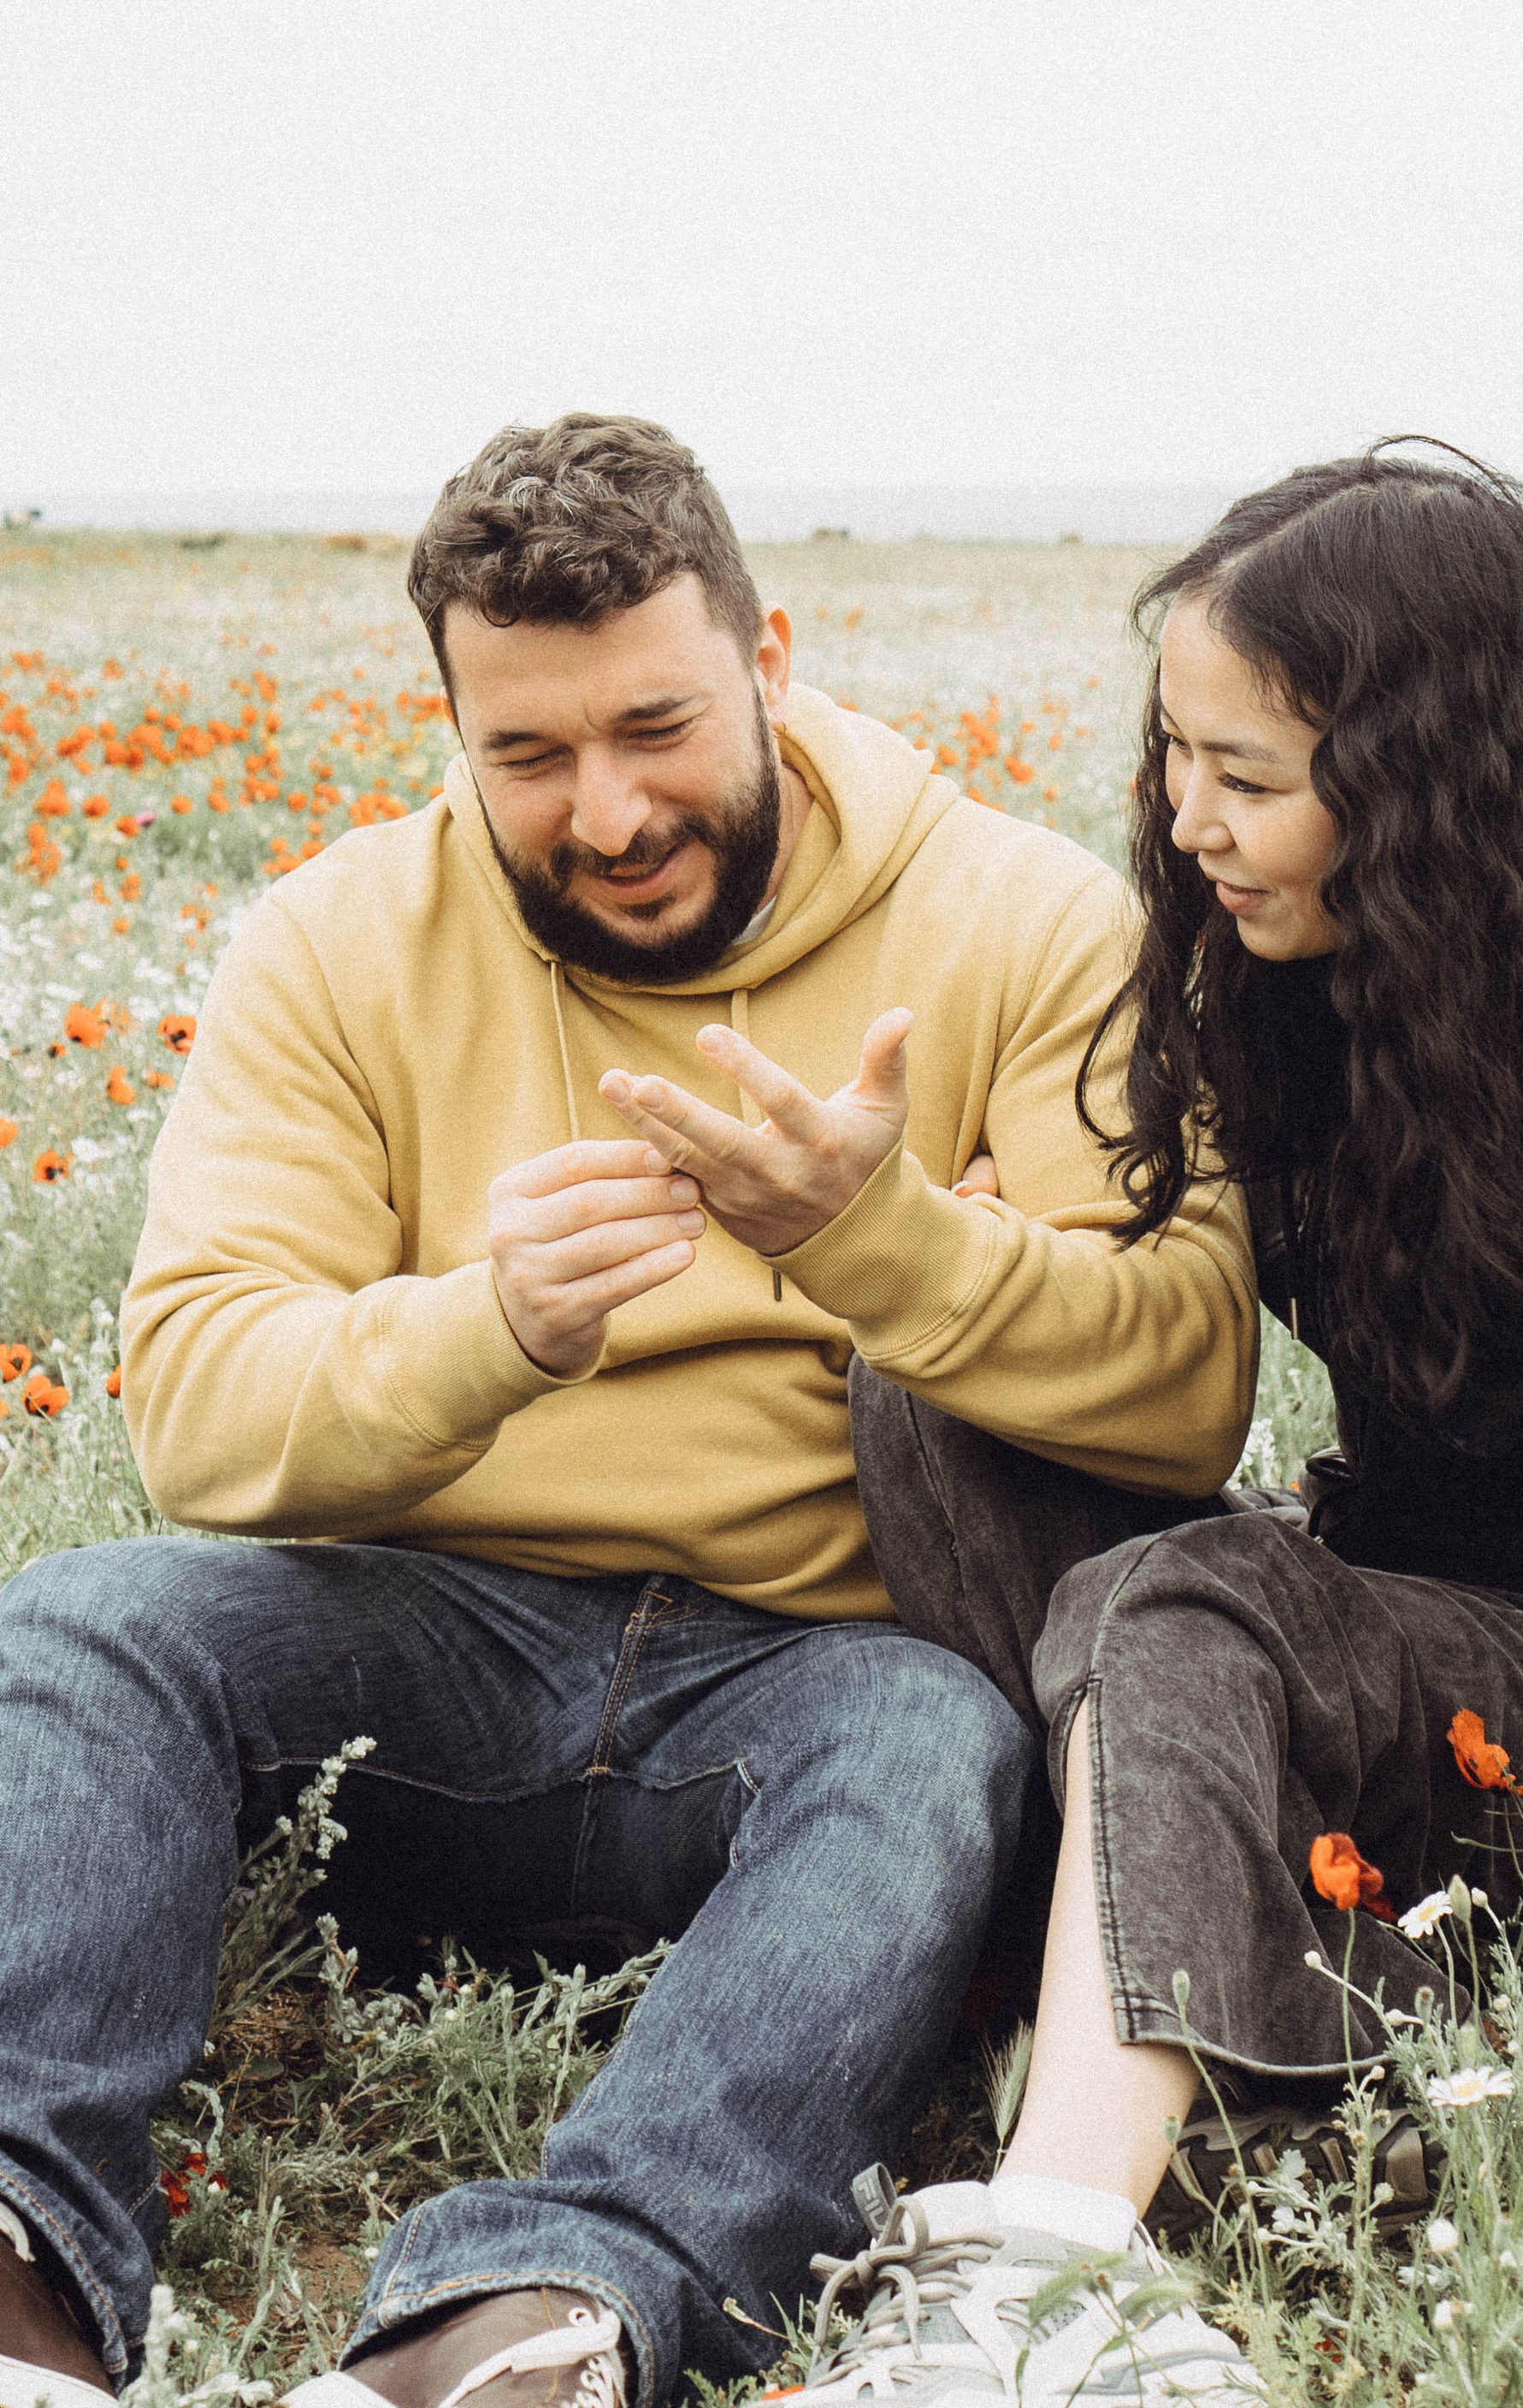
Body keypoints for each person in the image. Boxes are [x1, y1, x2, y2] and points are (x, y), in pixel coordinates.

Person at [0, 414, 1258, 2408]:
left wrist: (883, 1247)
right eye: (528, 755)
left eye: (656, 727)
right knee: (78, 1632)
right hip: (426, 1650)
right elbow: (200, 1413)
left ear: (769, 663)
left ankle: (541, 2321)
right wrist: (486, 1327)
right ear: (453, 732)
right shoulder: (338, 942)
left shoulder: (1020, 924)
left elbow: (1189, 1383)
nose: (605, 812)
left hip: (817, 1675)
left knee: (941, 1746)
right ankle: (22, 2278)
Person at [787, 443, 1523, 2407]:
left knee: (1186, 1606)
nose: (1191, 821)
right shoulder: (1280, 972)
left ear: (1421, 788)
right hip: (1385, 1612)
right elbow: (1127, 1313)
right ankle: (1165, 1962)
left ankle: (1057, 2282)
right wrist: (932, 1247)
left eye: (1249, 781)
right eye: (1176, 756)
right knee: (931, 1387)